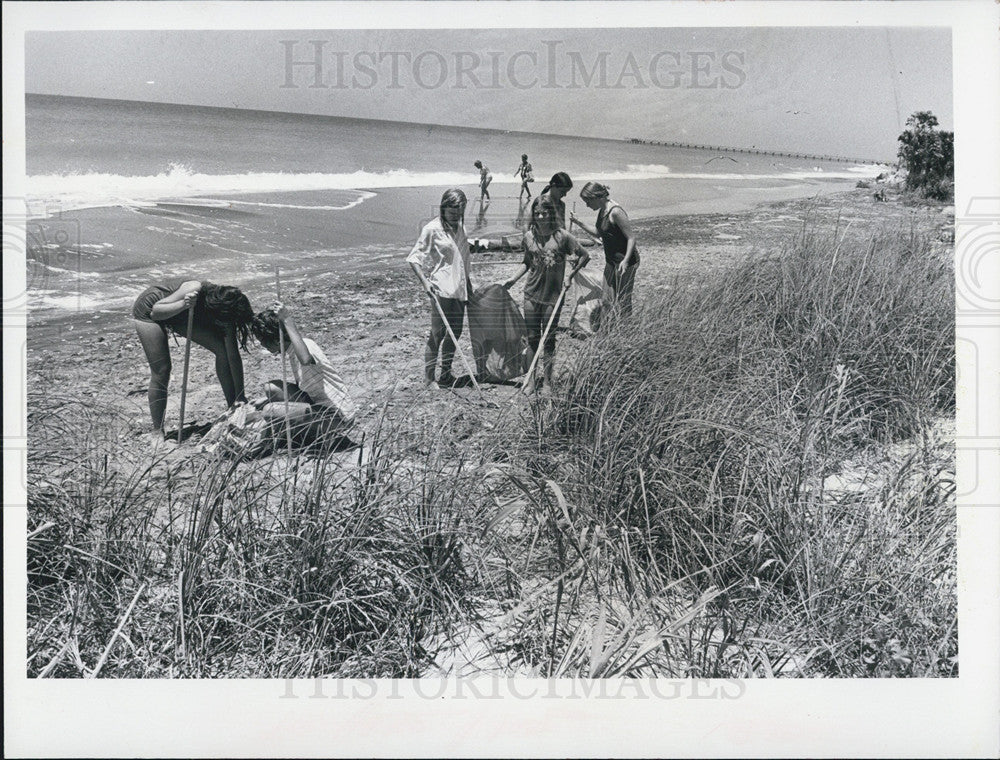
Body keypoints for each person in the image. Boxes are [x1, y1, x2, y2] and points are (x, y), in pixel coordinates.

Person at [132, 279, 254, 443]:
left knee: (221, 349)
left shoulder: (227, 313)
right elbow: (156, 311)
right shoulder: (194, 288)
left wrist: (241, 397)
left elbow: (232, 356)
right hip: (151, 311)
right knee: (162, 369)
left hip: (181, 312)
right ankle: (157, 431)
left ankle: (232, 407)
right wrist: (184, 303)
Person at [503, 196, 590, 391]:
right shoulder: (529, 236)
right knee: (532, 337)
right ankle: (532, 380)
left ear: (552, 214)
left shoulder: (563, 237)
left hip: (554, 296)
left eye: (545, 213)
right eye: (537, 213)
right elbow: (527, 262)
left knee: (549, 339)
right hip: (531, 293)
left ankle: (548, 382)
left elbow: (585, 255)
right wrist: (513, 279)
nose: (541, 217)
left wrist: (570, 276)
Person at [250, 303, 355, 446]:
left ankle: (318, 435)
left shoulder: (305, 345)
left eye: (263, 341)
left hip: (336, 416)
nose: (263, 346)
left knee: (271, 411)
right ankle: (303, 431)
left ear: (276, 339)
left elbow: (306, 359)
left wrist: (287, 319)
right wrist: (268, 399)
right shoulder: (292, 350)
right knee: (271, 388)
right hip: (318, 405)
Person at [408, 188, 474, 388]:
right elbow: (414, 258)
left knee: (456, 331)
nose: (455, 215)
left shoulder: (461, 226)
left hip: (459, 289)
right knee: (437, 333)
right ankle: (429, 379)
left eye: (459, 211)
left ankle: (446, 372)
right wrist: (425, 282)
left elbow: (463, 258)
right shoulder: (432, 228)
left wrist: (469, 284)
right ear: (443, 207)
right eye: (452, 210)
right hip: (441, 288)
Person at [572, 182, 640, 319]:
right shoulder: (602, 210)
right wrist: (579, 222)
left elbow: (631, 238)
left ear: (597, 197)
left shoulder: (615, 212)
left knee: (623, 299)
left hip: (625, 261)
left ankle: (628, 329)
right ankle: (609, 329)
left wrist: (626, 261)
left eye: (588, 201)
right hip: (611, 261)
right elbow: (599, 233)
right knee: (607, 299)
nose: (587, 205)